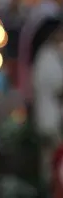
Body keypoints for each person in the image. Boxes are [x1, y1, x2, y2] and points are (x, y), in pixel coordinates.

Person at [31, 17, 63, 194]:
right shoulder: (47, 56)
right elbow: (58, 86)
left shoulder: (50, 54)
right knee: (51, 166)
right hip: (49, 120)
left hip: (48, 118)